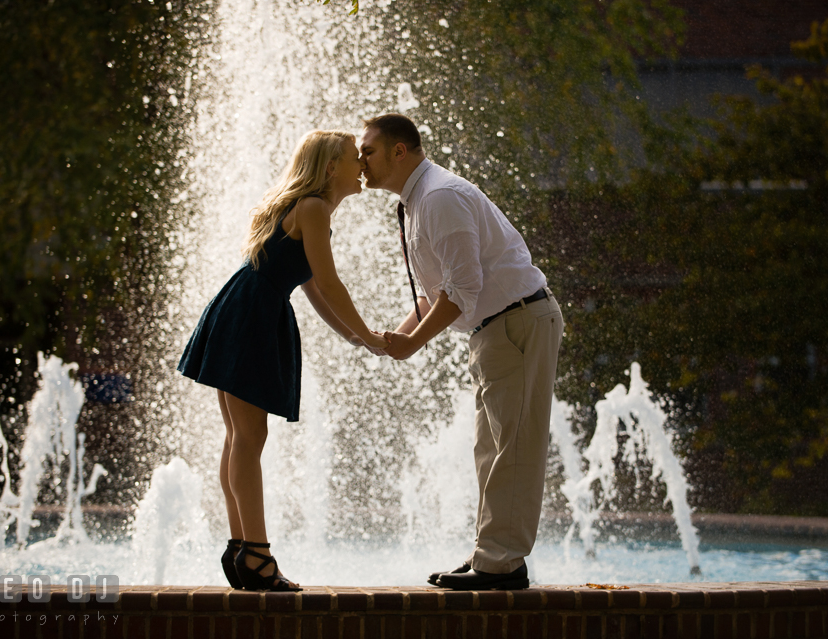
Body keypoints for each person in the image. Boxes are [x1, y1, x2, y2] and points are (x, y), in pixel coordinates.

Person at [359, 114, 563, 590]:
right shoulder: (418, 201)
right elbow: (438, 292)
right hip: (499, 327)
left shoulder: (437, 198)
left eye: (367, 150)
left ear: (399, 152)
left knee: (513, 448)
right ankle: (492, 556)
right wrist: (394, 337)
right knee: (491, 450)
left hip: (516, 322)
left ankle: (501, 565)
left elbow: (465, 288)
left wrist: (413, 342)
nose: (359, 159)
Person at [178, 130, 388, 591]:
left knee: (240, 436)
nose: (362, 166)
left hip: (247, 307)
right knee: (248, 436)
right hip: (252, 312)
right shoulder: (313, 208)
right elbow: (329, 284)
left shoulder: (311, 209)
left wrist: (353, 336)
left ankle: (241, 548)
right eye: (355, 159)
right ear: (331, 168)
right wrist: (369, 333)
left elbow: (312, 286)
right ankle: (255, 555)